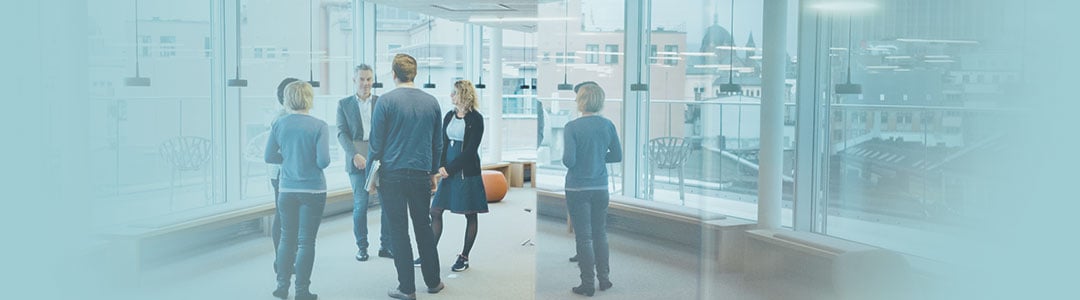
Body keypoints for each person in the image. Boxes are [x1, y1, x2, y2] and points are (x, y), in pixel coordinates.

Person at [369, 53, 446, 300]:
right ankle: (433, 282)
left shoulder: (385, 101)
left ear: (393, 74)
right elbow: (438, 143)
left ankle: (407, 288)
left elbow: (376, 144)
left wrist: (371, 177)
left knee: (398, 230)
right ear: (415, 74)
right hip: (421, 174)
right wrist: (433, 171)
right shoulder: (432, 102)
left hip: (392, 175)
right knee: (423, 226)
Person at [265, 81, 330, 300]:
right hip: (313, 190)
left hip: (286, 189)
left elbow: (268, 156)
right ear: (309, 99)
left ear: (287, 99)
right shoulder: (319, 125)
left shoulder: (279, 124)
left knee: (286, 239)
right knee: (306, 241)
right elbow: (323, 161)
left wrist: (289, 159)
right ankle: (302, 291)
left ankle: (282, 286)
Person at [562, 82, 622, 297]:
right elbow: (616, 156)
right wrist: (597, 158)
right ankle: (604, 279)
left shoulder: (572, 127)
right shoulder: (608, 125)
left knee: (584, 237)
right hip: (600, 187)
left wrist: (582, 159)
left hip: (577, 187)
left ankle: (587, 284)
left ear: (581, 101)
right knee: (600, 234)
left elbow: (569, 160)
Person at [429, 79, 488, 272]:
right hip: (447, 171)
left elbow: (471, 150)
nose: (451, 96)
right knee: (435, 211)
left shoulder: (476, 119)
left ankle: (464, 256)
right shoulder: (448, 116)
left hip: (466, 172)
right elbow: (442, 142)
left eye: (454, 92)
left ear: (464, 94)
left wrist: (450, 168)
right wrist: (441, 166)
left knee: (470, 214)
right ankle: (428, 252)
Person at [337, 64, 392, 262]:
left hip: (381, 158)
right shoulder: (344, 104)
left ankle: (386, 246)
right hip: (357, 160)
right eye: (362, 79)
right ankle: (362, 247)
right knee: (361, 205)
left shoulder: (382, 102)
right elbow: (341, 133)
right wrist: (354, 155)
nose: (366, 83)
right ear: (354, 80)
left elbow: (390, 132)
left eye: (369, 79)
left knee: (387, 204)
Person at [270, 77, 301, 261]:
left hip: (292, 173)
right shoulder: (281, 118)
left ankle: (292, 254)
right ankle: (281, 258)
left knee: (291, 216)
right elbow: (274, 152)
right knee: (282, 216)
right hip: (281, 174)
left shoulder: (292, 116)